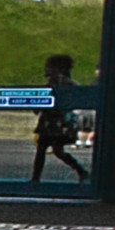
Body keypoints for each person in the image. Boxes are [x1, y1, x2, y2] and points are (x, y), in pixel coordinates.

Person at [31, 55, 89, 183]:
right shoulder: (59, 82)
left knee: (51, 150)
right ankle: (35, 178)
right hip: (51, 121)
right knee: (47, 149)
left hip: (56, 123)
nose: (46, 70)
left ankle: (36, 178)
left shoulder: (61, 83)